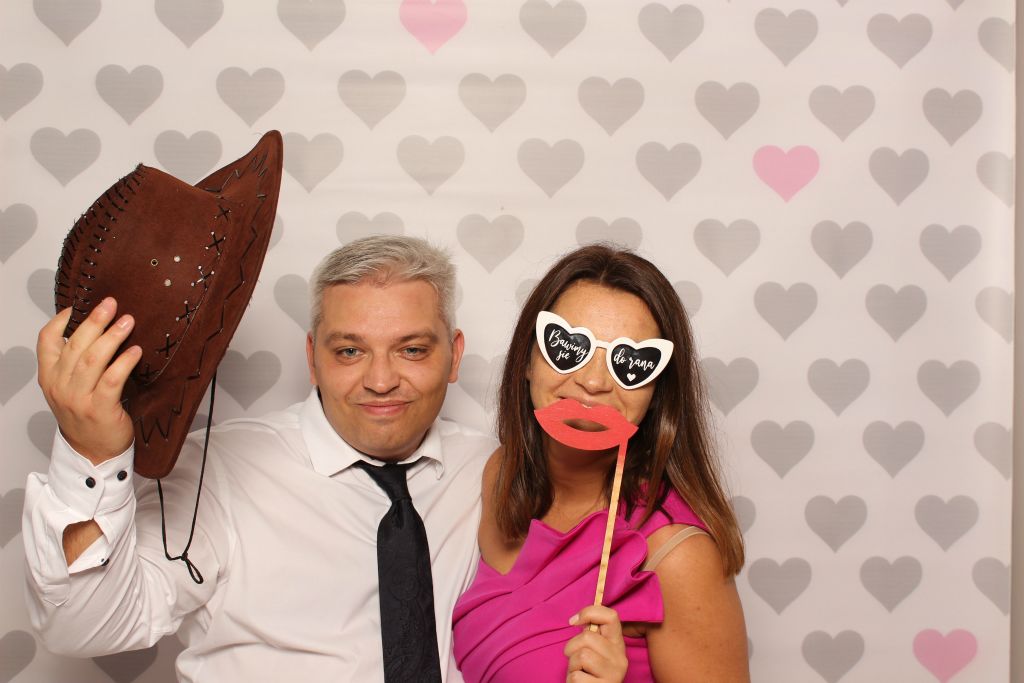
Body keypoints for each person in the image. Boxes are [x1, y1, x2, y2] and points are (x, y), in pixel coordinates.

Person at [24, 235, 495, 682]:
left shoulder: (492, 470)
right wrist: (91, 453)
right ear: (312, 358)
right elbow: (82, 627)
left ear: (454, 356)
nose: (380, 380)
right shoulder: (216, 470)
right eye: (350, 351)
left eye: (412, 350)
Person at [452, 245, 749, 682]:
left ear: (656, 394)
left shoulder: (678, 555)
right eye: (569, 347)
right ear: (528, 360)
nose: (593, 382)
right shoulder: (496, 472)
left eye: (631, 364)